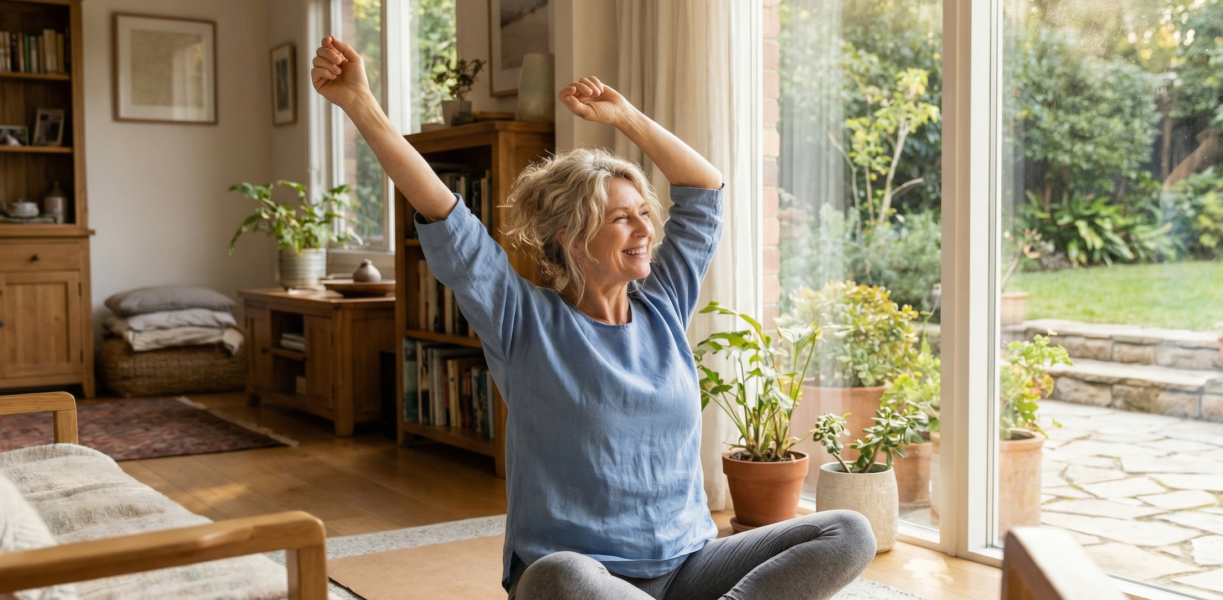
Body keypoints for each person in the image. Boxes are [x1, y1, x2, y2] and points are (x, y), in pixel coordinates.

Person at [311, 36, 876, 600]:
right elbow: (441, 209)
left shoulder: (664, 302)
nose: (645, 230)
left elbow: (704, 186)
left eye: (644, 215)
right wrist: (361, 103)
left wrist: (624, 116)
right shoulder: (522, 320)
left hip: (689, 566)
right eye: (621, 219)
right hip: (588, 579)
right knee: (560, 575)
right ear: (572, 236)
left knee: (846, 530)